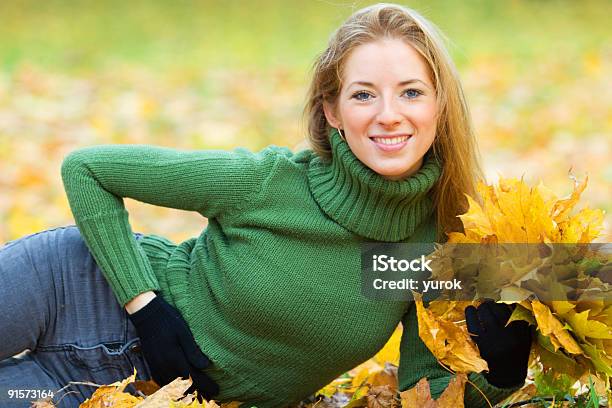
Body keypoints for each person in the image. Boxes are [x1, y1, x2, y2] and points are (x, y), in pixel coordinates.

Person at [0, 3, 532, 408]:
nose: (388, 114)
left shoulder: (439, 246)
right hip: (69, 289)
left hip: (125, 391)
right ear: (332, 111)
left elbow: (425, 389)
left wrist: (500, 376)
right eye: (364, 94)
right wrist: (148, 307)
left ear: (442, 105)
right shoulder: (268, 182)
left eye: (412, 92)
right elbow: (88, 169)